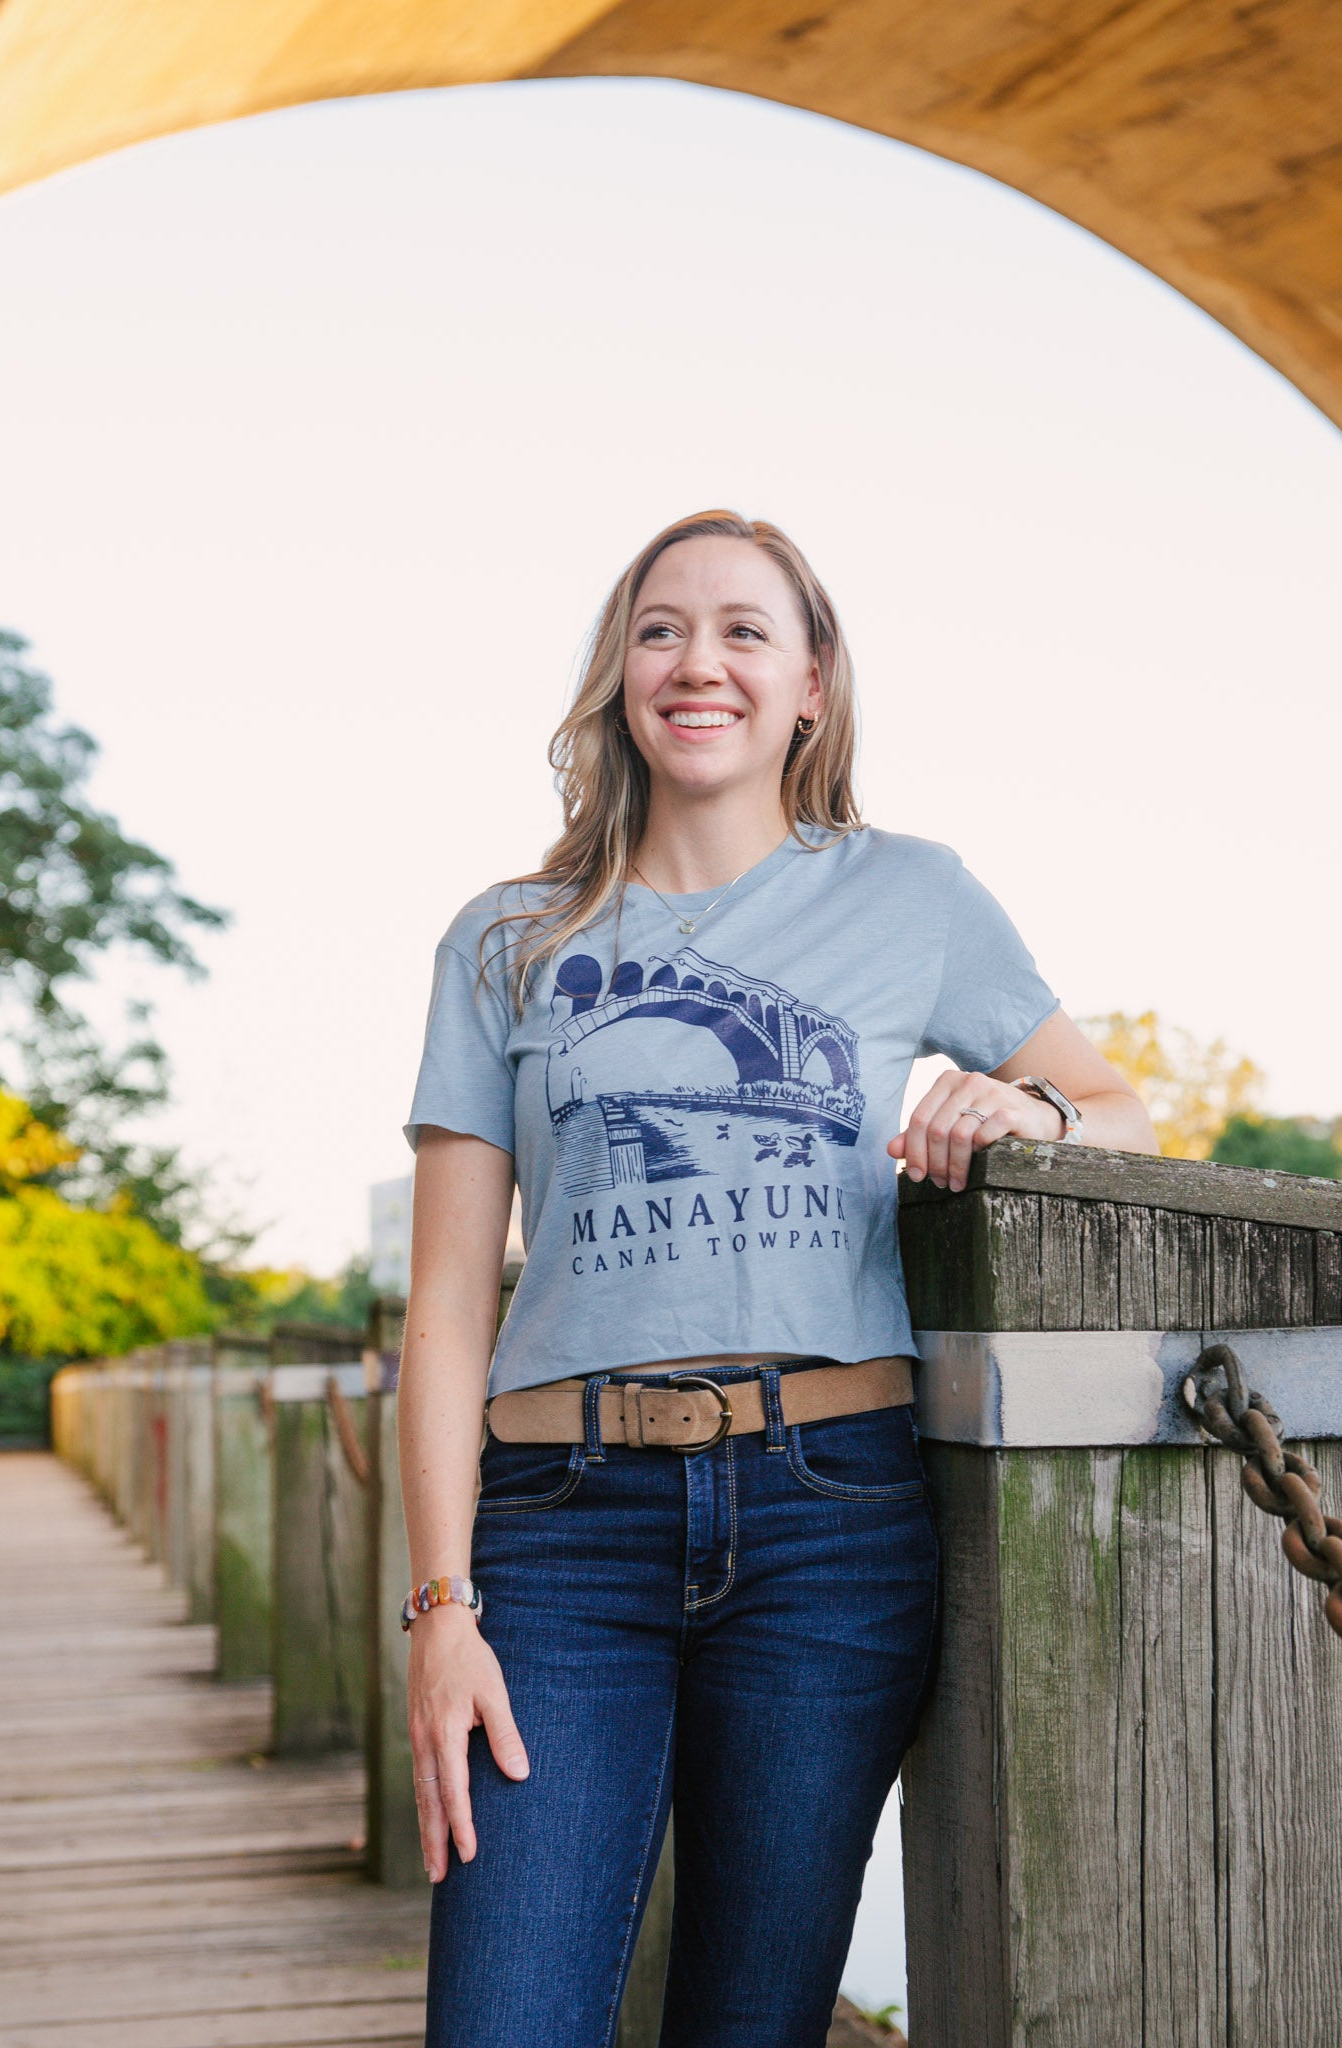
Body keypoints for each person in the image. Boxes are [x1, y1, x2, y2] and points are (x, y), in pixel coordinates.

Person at [399, 509, 1156, 2048]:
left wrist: (1028, 1106)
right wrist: (436, 1607)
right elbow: (446, 1306)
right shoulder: (507, 940)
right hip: (558, 1536)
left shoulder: (913, 895)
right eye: (661, 627)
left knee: (752, 2024)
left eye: (745, 630)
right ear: (620, 672)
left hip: (829, 1524)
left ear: (811, 682)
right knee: (501, 2019)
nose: (699, 662)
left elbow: (1125, 1108)